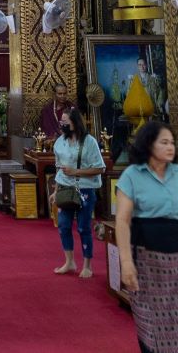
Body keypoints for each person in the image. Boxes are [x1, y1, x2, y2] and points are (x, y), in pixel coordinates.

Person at [115, 121, 178, 353]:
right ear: (148, 144)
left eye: (172, 142)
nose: (170, 147)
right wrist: (126, 263)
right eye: (164, 142)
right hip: (147, 259)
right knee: (152, 325)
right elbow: (123, 221)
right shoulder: (132, 176)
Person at [50, 107, 105, 278]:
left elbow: (100, 168)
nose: (63, 124)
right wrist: (56, 191)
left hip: (85, 189)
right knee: (63, 226)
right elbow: (60, 169)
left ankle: (87, 265)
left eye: (66, 121)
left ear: (75, 122)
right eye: (61, 122)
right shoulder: (59, 142)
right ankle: (70, 261)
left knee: (83, 227)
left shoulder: (89, 142)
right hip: (65, 188)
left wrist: (76, 172)